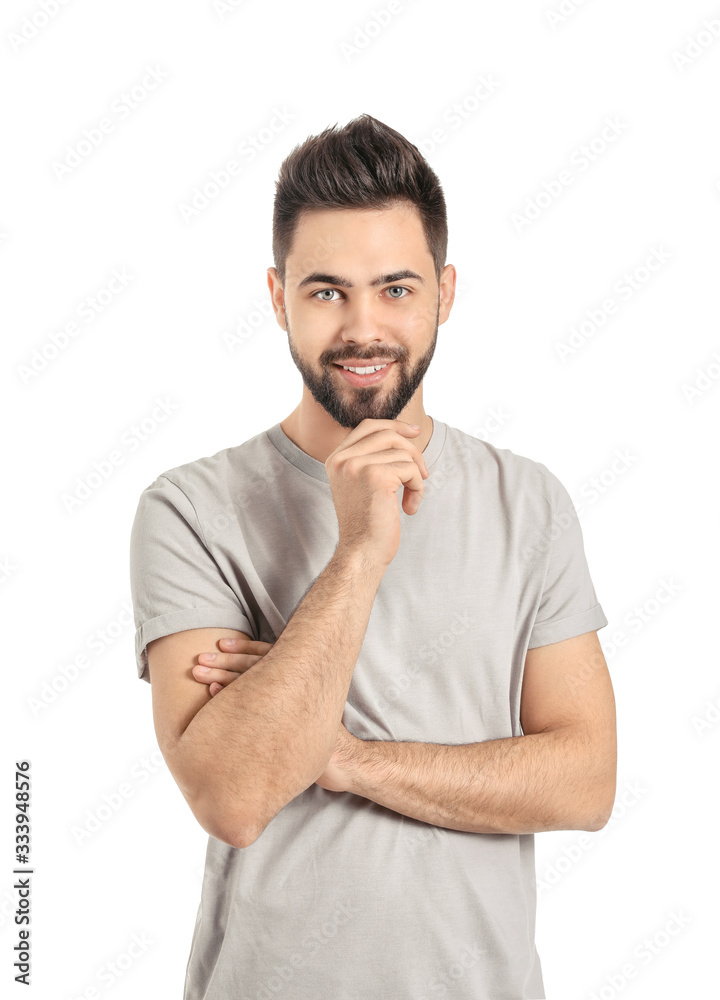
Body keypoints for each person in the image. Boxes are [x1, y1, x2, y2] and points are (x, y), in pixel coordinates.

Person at [129, 113, 617, 1000]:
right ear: (277, 297)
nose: (363, 328)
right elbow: (234, 797)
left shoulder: (530, 501)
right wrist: (358, 552)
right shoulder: (189, 510)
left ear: (446, 290)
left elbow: (585, 781)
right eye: (327, 292)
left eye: (396, 288)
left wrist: (339, 754)